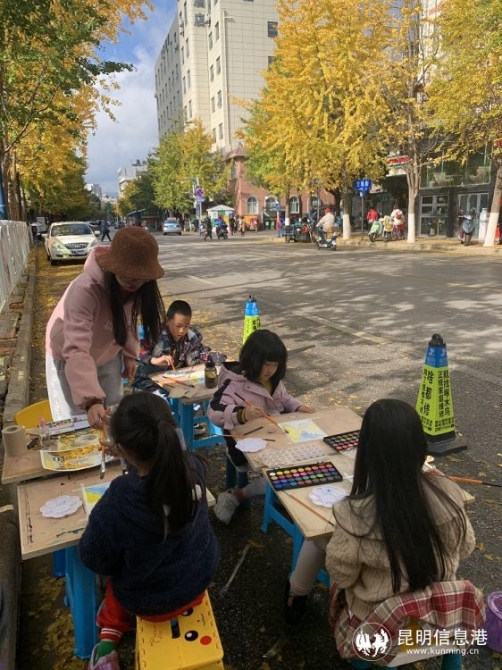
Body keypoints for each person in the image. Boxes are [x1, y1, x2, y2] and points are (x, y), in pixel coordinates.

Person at [284, 400, 478, 668]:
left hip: (379, 626)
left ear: (367, 452)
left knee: (317, 542)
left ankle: (295, 595)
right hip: (441, 612)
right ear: (419, 448)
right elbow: (466, 547)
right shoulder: (449, 492)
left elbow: (343, 575)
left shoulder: (353, 513)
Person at [79, 392, 219, 670]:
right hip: (199, 578)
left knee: (117, 582)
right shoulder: (193, 467)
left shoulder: (119, 499)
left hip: (151, 603)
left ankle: (107, 643)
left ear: (121, 449)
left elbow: (93, 558)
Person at [45, 227, 165, 429]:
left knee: (113, 413)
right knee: (76, 422)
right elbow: (76, 348)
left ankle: (111, 450)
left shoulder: (138, 289)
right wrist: (91, 400)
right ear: (113, 265)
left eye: (140, 275)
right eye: (126, 273)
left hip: (107, 349)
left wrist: (130, 354)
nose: (132, 280)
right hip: (69, 354)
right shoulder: (85, 289)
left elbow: (128, 319)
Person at [208, 329, 315, 524]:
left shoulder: (273, 381)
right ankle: (238, 495)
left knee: (307, 460)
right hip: (244, 445)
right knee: (284, 472)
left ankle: (279, 491)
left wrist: (297, 406)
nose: (271, 370)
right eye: (267, 364)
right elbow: (214, 411)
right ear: (253, 359)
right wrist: (241, 414)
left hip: (275, 436)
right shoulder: (235, 383)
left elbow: (284, 398)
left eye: (276, 365)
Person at [133, 299, 212, 398]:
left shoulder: (192, 337)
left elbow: (200, 355)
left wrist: (205, 360)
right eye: (178, 326)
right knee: (162, 402)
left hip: (179, 382)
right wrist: (154, 360)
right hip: (149, 383)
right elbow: (136, 351)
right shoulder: (155, 334)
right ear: (167, 321)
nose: (182, 331)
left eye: (186, 326)